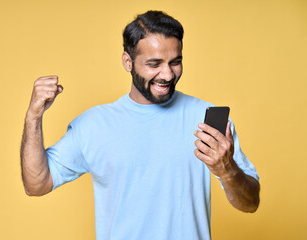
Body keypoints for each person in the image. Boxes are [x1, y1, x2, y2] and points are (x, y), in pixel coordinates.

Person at [20, 10, 260, 240]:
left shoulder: (207, 119)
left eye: (175, 62)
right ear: (128, 61)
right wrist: (33, 117)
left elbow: (250, 203)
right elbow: (37, 183)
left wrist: (227, 170)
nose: (167, 74)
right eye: (154, 64)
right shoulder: (94, 125)